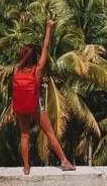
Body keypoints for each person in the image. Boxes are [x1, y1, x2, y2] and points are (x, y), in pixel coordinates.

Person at [11, 19, 77, 174]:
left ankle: (26, 167)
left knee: (24, 135)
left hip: (20, 107)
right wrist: (48, 28)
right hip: (35, 106)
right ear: (35, 57)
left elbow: (20, 63)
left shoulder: (16, 70)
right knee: (49, 133)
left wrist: (23, 58)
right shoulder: (37, 70)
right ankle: (64, 161)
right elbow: (46, 46)